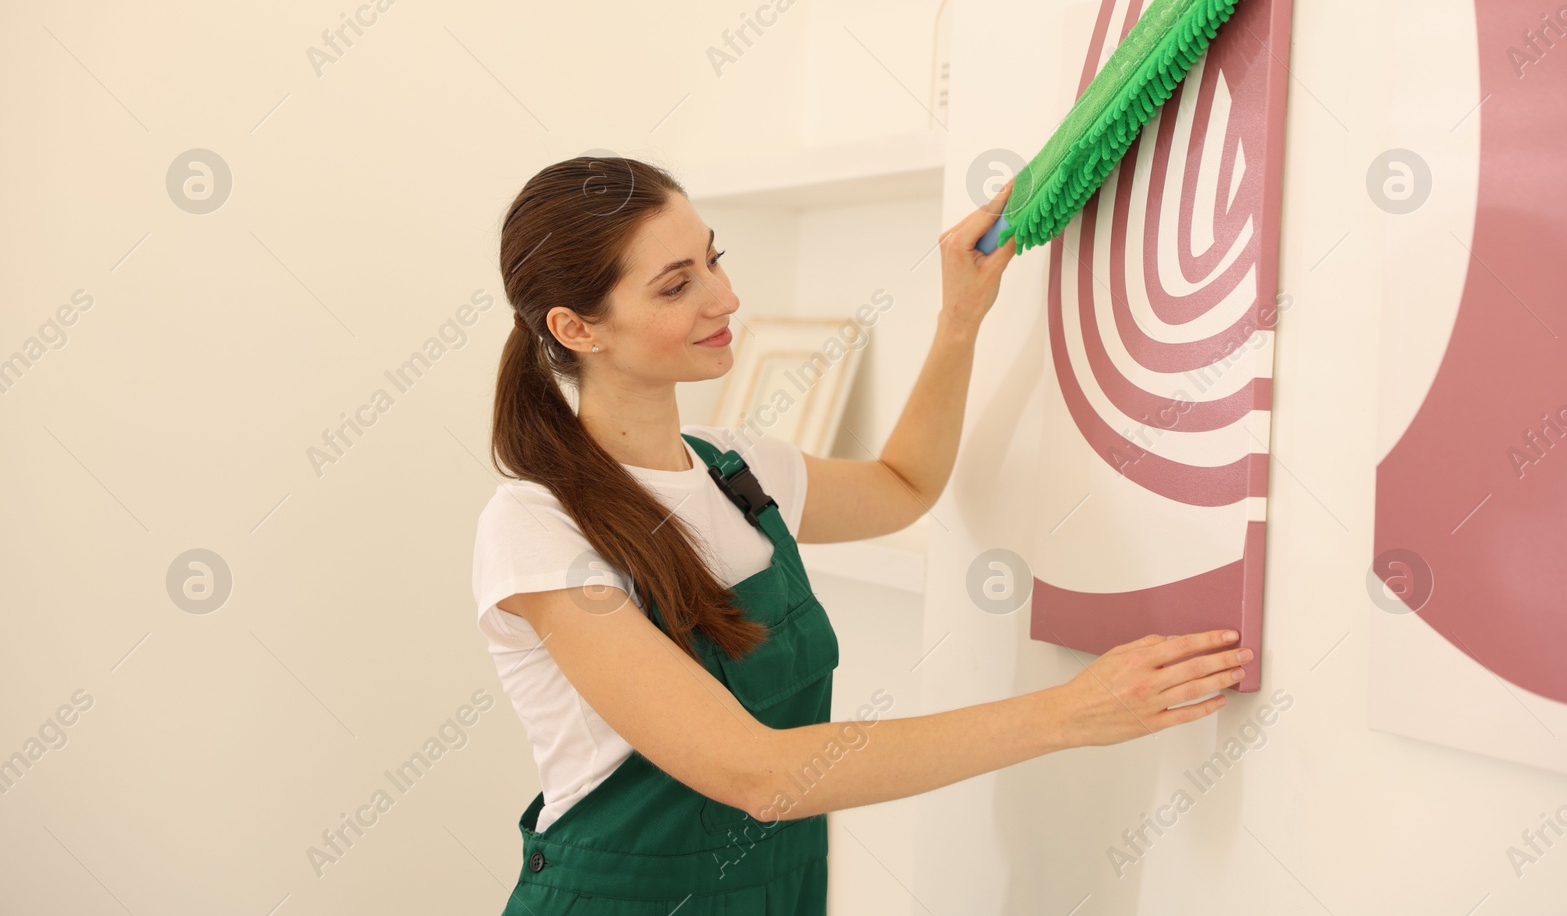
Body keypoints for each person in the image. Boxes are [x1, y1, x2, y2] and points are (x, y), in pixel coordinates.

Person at [472, 155, 1248, 914]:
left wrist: (960, 318)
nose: (726, 296)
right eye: (678, 285)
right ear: (576, 328)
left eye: (714, 260)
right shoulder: (538, 528)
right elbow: (760, 775)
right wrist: (1068, 712)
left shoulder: (740, 470)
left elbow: (903, 484)